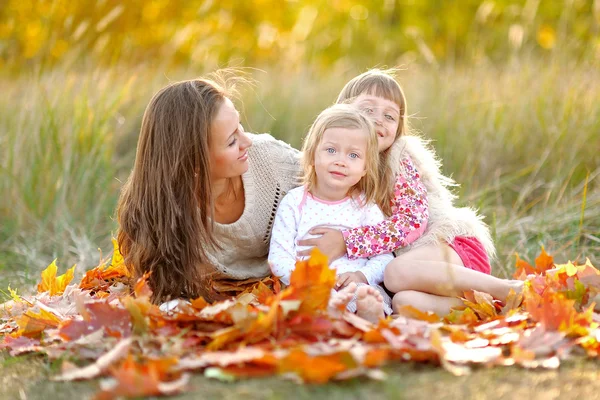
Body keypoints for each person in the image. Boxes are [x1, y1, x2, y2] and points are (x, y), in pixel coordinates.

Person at [297, 69, 522, 316]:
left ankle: (506, 288)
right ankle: (488, 307)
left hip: (449, 248)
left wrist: (347, 241)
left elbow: (411, 222)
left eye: (389, 116)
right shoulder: (340, 167)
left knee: (394, 273)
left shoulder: (398, 159)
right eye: (368, 110)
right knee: (403, 304)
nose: (378, 120)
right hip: (415, 278)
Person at [116, 77, 301, 303]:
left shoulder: (273, 162)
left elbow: (347, 191)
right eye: (232, 141)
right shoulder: (156, 208)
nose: (247, 142)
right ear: (193, 162)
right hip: (217, 307)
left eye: (240, 127)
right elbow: (163, 290)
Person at [268, 104, 394, 323]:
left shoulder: (365, 207)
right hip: (309, 287)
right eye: (331, 150)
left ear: (365, 167)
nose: (340, 161)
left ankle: (367, 316)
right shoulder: (295, 202)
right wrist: (308, 281)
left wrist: (361, 276)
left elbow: (384, 255)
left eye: (353, 155)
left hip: (355, 286)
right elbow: (278, 257)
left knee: (369, 297)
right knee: (303, 304)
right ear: (312, 154)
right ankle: (331, 317)